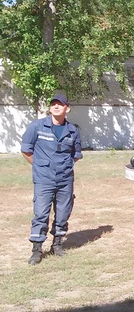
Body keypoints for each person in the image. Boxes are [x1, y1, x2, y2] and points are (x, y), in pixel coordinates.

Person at [21, 93, 83, 265]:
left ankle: (57, 244)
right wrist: (40, 166)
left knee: (63, 212)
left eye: (60, 104)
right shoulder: (37, 126)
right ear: (50, 108)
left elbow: (76, 154)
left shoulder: (73, 130)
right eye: (53, 104)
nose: (56, 106)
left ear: (67, 109)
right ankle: (36, 250)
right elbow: (26, 150)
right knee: (41, 213)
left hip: (65, 179)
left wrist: (65, 167)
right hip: (44, 179)